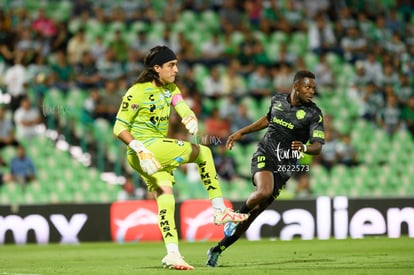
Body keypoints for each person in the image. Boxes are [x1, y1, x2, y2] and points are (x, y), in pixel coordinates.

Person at [112, 45, 248, 270]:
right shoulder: (136, 91)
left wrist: (190, 117)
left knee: (166, 197)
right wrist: (139, 148)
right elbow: (118, 128)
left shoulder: (171, 88)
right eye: (171, 65)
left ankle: (172, 254)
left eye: (176, 64)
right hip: (143, 150)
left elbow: (181, 105)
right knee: (203, 152)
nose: (176, 69)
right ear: (157, 68)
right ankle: (219, 209)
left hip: (153, 154)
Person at [206, 70, 325, 267]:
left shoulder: (313, 114)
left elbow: (318, 147)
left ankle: (217, 249)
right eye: (307, 87)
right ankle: (234, 218)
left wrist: (305, 147)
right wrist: (241, 132)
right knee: (264, 190)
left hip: (285, 166)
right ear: (296, 86)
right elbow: (267, 119)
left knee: (252, 217)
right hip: (265, 153)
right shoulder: (277, 100)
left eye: (313, 88)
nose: (311, 91)